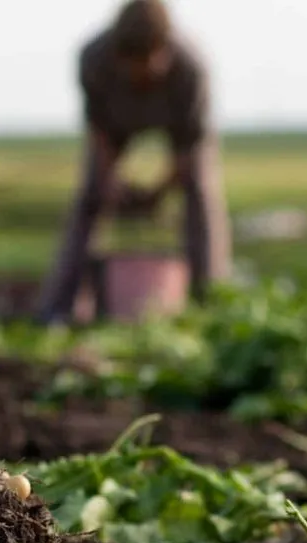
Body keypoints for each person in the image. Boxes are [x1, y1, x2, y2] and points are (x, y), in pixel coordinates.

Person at [36, 0, 232, 325]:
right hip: (115, 125)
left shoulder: (191, 67)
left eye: (149, 61)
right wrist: (110, 178)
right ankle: (57, 308)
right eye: (132, 63)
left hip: (179, 128)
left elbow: (191, 145)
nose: (141, 72)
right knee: (90, 196)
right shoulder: (93, 58)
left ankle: (210, 301)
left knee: (201, 194)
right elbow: (97, 129)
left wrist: (159, 190)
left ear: (165, 48)